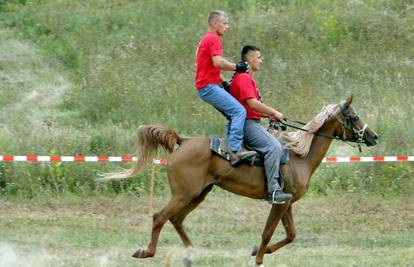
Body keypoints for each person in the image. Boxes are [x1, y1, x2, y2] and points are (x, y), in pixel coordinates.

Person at [230, 45, 292, 204]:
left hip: (251, 121)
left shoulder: (246, 78)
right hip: (247, 125)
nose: (261, 60)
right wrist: (273, 112)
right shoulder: (243, 78)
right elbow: (252, 104)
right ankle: (273, 190)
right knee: (274, 146)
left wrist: (272, 115)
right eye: (259, 57)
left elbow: (251, 107)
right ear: (250, 59)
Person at [195, 10, 256, 164]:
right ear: (214, 24)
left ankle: (229, 146)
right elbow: (218, 63)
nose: (227, 27)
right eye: (224, 23)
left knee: (232, 114)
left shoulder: (207, 39)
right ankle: (235, 149)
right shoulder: (213, 39)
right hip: (208, 87)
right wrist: (238, 67)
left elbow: (209, 67)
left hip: (209, 85)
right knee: (239, 111)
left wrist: (223, 82)